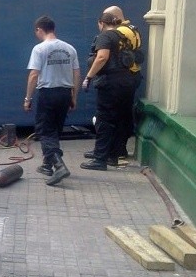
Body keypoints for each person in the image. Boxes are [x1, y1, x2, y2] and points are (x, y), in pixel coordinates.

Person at [80, 11, 142, 171]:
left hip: (110, 83)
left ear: (101, 23)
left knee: (104, 120)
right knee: (119, 119)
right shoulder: (124, 35)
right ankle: (113, 156)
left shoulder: (105, 37)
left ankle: (100, 159)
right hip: (127, 81)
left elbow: (102, 57)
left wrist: (88, 77)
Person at [23, 15, 80, 186]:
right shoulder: (70, 49)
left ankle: (58, 165)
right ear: (53, 28)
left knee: (45, 131)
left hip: (48, 93)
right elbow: (77, 73)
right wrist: (74, 96)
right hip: (65, 93)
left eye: (37, 32)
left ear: (40, 29)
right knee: (54, 130)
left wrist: (27, 98)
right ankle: (47, 165)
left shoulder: (40, 49)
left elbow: (34, 75)